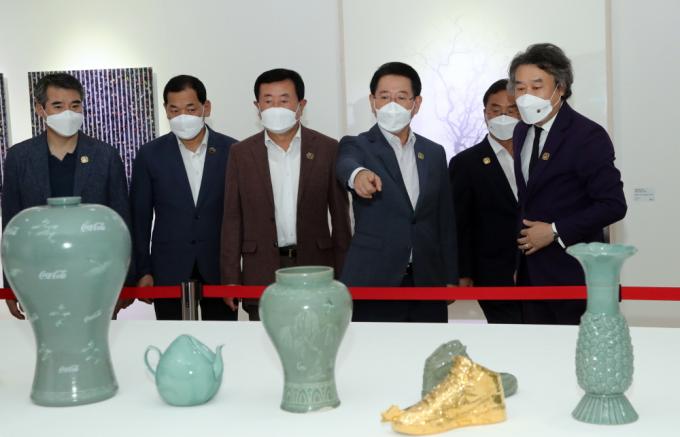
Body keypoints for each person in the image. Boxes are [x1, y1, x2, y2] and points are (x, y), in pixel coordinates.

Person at [509, 43, 627, 325]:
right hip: (530, 275)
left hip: (572, 275)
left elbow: (613, 205)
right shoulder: (521, 130)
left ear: (560, 88)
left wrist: (554, 230)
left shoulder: (587, 135)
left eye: (537, 87)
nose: (526, 96)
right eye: (520, 88)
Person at [220, 68, 351, 321]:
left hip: (316, 267)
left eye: (284, 100)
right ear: (257, 106)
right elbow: (232, 220)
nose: (275, 108)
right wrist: (230, 278)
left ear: (301, 105)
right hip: (261, 269)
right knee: (264, 340)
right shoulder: (241, 153)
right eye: (268, 101)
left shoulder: (327, 148)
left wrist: (345, 276)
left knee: (315, 335)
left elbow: (341, 219)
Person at [336, 62, 457, 323]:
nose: (392, 105)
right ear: (373, 102)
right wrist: (358, 175)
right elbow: (346, 164)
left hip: (427, 279)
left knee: (430, 347)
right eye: (384, 97)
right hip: (374, 278)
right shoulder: (357, 144)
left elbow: (444, 218)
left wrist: (450, 276)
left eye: (401, 97)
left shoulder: (434, 152)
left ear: (416, 103)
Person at [2, 73, 130, 319]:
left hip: (97, 280)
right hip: (38, 277)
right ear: (40, 109)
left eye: (75, 105)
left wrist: (125, 281)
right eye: (58, 106)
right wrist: (10, 284)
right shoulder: (19, 158)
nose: (68, 113)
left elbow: (122, 222)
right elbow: (11, 225)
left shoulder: (106, 156)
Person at [131, 75, 238, 320]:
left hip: (219, 268)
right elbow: (140, 218)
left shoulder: (232, 151)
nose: (182, 116)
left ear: (206, 107)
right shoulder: (150, 154)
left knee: (221, 337)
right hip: (168, 267)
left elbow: (241, 216)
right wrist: (143, 270)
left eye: (190, 109)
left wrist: (236, 271)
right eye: (174, 110)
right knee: (173, 339)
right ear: (166, 111)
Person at [449, 79, 522, 324]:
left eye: (511, 110)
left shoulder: (538, 156)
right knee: (509, 335)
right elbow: (460, 222)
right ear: (485, 114)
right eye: (496, 110)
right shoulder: (466, 163)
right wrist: (463, 272)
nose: (503, 116)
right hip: (493, 273)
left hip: (541, 272)